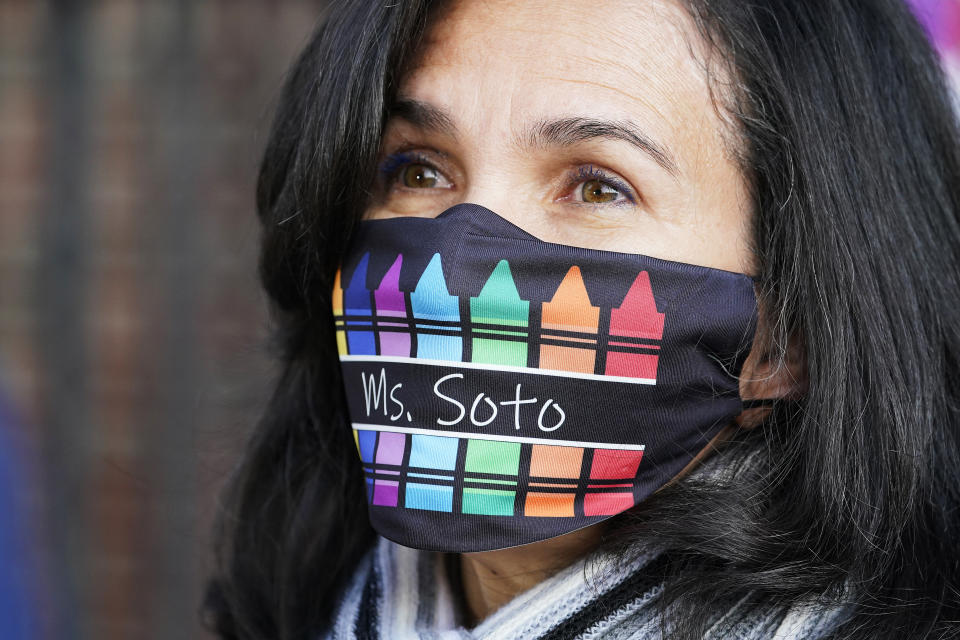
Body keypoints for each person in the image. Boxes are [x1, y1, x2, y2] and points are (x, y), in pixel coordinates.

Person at [203, 0, 960, 638]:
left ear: (784, 338)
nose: (455, 267)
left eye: (597, 187)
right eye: (417, 169)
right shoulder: (295, 605)